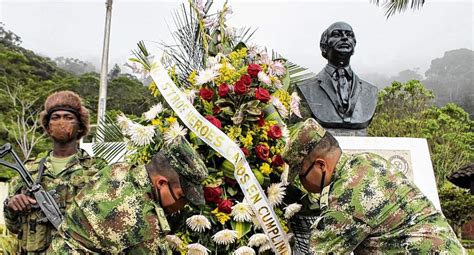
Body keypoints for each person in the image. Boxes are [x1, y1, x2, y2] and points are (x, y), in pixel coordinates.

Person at [283, 118, 465, 254]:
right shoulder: (368, 161)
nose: (302, 182)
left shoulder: (348, 195)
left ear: (321, 166)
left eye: (301, 174)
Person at [46, 136, 209, 254]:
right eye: (182, 197)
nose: (183, 205)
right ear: (160, 183)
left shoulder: (118, 169)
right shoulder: (145, 227)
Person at [3, 90, 105, 254]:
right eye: (55, 117)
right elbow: (14, 227)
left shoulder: (97, 170)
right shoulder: (28, 170)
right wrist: (11, 207)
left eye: (68, 117)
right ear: (48, 126)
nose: (61, 122)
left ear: (80, 126)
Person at [292, 22, 378, 130]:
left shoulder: (370, 90)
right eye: (337, 34)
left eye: (349, 35)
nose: (345, 38)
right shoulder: (306, 88)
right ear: (324, 46)